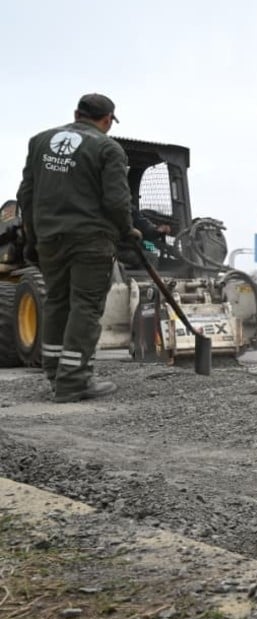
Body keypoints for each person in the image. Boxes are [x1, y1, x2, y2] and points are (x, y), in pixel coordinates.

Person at [16, 93, 140, 402]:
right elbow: (115, 200)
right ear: (108, 120)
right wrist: (127, 231)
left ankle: (56, 374)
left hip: (50, 239)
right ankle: (75, 381)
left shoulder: (40, 142)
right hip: (90, 241)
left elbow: (25, 195)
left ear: (76, 113)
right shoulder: (108, 148)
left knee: (57, 302)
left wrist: (32, 239)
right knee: (85, 306)